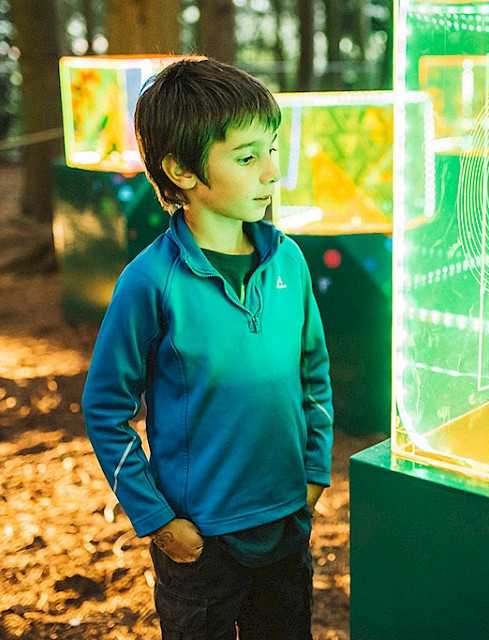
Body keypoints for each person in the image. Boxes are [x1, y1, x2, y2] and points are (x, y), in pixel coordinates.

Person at [81, 57, 334, 639]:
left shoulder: (290, 261)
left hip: (287, 526)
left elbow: (314, 373)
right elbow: (106, 408)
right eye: (247, 158)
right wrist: (157, 519)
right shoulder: (149, 282)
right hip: (199, 544)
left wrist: (315, 471)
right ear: (181, 170)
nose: (273, 173)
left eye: (273, 149)